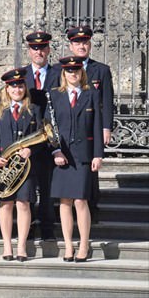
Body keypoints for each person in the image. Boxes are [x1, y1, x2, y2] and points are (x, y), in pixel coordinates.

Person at [48, 56, 103, 262]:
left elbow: (97, 125)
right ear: (64, 74)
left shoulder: (91, 94)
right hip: (62, 155)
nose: (73, 74)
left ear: (82, 73)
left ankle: (84, 244)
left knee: (81, 200)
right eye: (69, 71)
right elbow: (49, 128)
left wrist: (98, 154)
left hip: (83, 155)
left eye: (77, 71)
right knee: (64, 202)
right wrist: (55, 151)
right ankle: (68, 245)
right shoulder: (54, 96)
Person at [0, 67, 43, 262]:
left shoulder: (34, 110)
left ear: (24, 88)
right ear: (7, 89)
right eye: (13, 87)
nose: (17, 90)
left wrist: (31, 150)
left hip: (25, 166)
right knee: (5, 204)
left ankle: (21, 246)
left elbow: (41, 138)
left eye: (20, 86)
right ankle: (6, 245)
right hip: (4, 167)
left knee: (23, 204)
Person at [66, 26, 114, 220]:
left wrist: (106, 127)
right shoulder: (63, 69)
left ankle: (92, 207)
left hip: (92, 127)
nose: (82, 46)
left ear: (90, 45)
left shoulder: (100, 70)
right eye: (77, 43)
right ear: (70, 46)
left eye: (85, 42)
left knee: (91, 169)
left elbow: (108, 101)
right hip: (70, 128)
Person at [24, 31, 60, 241]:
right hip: (28, 140)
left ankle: (47, 228)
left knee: (47, 187)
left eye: (42, 48)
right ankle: (27, 228)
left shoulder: (59, 73)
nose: (39, 52)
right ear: (29, 51)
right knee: (27, 187)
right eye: (34, 48)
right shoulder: (22, 76)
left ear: (48, 50)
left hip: (50, 140)